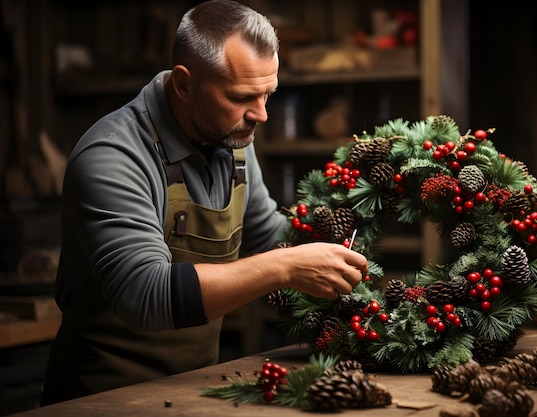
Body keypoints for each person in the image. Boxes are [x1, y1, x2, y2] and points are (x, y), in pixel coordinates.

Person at [40, 0, 368, 405]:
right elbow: (144, 295)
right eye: (242, 96)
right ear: (184, 84)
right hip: (102, 398)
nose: (262, 115)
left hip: (191, 389)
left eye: (269, 94)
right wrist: (286, 267)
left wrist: (341, 231)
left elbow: (272, 239)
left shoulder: (231, 139)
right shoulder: (112, 156)